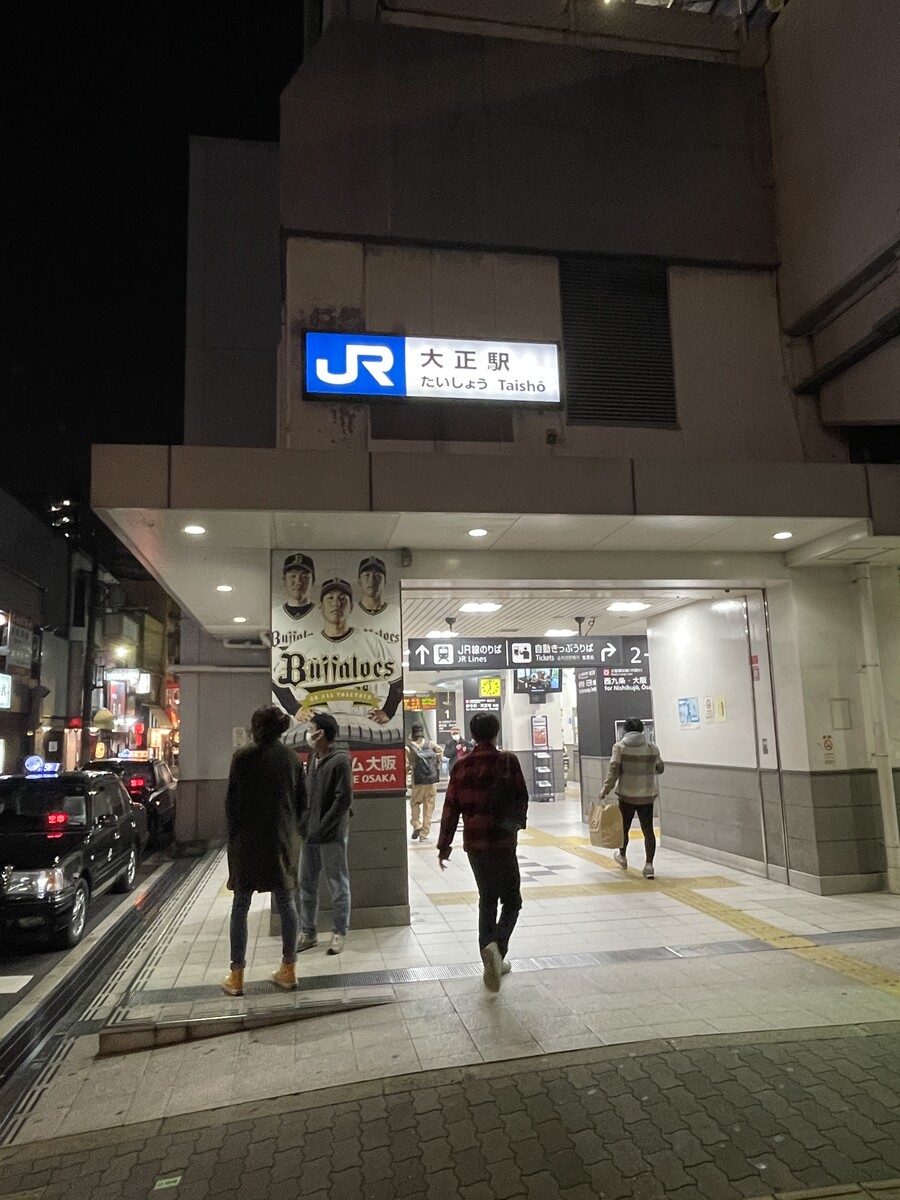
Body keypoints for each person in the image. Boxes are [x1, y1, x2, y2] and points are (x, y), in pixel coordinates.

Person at [438, 711, 528, 993]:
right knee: (512, 900)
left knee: (487, 899)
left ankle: (489, 956)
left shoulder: (461, 767)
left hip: (475, 843)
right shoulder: (508, 761)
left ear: (473, 735)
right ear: (496, 732)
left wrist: (444, 845)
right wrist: (515, 825)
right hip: (503, 841)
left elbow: (450, 808)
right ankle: (497, 949)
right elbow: (521, 797)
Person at [222, 706, 306, 996]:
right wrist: (293, 832)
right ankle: (288, 970)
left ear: (256, 728)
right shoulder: (292, 759)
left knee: (240, 905)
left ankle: (237, 975)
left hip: (247, 841)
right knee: (286, 903)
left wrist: (234, 836)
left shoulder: (242, 758)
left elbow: (231, 805)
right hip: (281, 841)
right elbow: (303, 804)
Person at [272, 578, 403, 735]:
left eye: (342, 599)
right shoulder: (301, 647)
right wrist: (295, 708)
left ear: (351, 606)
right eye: (330, 598)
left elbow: (398, 682)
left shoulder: (373, 642)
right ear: (320, 606)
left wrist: (388, 711)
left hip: (364, 726)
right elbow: (276, 682)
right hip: (318, 728)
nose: (336, 603)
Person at [297, 711, 353, 955]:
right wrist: (304, 823)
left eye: (311, 729)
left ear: (321, 734)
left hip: (331, 834)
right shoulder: (313, 757)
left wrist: (322, 827)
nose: (308, 733)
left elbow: (343, 800)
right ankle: (308, 932)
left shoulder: (340, 761)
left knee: (337, 884)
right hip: (310, 833)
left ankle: (339, 932)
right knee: (306, 884)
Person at [600, 717, 664, 880]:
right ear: (642, 729)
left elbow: (613, 771)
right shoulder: (652, 748)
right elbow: (660, 768)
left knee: (624, 828)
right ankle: (649, 866)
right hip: (647, 795)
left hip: (626, 796)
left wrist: (605, 789)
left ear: (625, 730)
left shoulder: (619, 747)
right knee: (648, 831)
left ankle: (622, 856)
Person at [271, 553, 317, 648]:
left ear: (313, 581)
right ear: (284, 580)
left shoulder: (325, 616)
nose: (298, 582)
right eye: (293, 576)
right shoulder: (274, 615)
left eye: (304, 576)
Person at [407, 722, 442, 842]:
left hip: (418, 781)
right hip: (431, 781)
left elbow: (406, 766)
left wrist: (407, 779)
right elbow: (440, 751)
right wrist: (437, 764)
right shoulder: (430, 744)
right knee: (429, 808)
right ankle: (423, 834)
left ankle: (416, 824)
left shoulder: (409, 747)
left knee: (414, 803)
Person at [356, 556, 401, 646]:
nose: (372, 580)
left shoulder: (397, 613)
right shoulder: (349, 614)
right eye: (367, 575)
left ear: (385, 581)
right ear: (359, 581)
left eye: (377, 575)